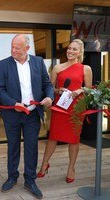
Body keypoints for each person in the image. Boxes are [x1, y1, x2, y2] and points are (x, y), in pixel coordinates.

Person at [0, 34, 54, 199]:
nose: (14, 50)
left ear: (27, 48)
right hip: (12, 113)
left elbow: (47, 84)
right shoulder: (3, 64)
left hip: (32, 113)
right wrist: (14, 104)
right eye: (12, 47)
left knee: (31, 147)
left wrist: (49, 97)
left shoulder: (38, 62)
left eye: (18, 48)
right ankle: (12, 177)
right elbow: (0, 89)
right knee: (12, 146)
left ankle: (30, 180)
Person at [37, 39, 92, 183]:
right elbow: (50, 88)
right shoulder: (57, 68)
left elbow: (89, 89)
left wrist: (80, 90)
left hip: (76, 109)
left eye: (74, 49)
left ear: (80, 52)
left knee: (74, 140)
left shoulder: (85, 69)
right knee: (53, 137)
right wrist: (58, 90)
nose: (71, 51)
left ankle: (71, 168)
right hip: (60, 108)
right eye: (69, 48)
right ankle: (44, 165)